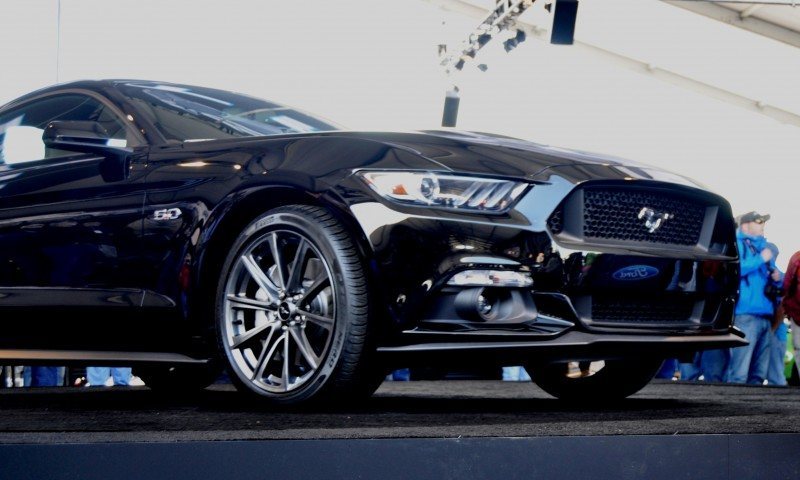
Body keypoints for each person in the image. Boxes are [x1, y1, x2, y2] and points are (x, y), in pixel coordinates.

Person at [726, 212, 783, 385]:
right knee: (739, 372)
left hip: (766, 317)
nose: (762, 225)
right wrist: (760, 259)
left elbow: (777, 282)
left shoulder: (764, 248)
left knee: (759, 373)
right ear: (745, 225)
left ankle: (750, 411)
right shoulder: (737, 244)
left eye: (763, 222)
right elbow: (734, 270)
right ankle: (730, 409)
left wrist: (778, 278)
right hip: (745, 315)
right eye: (758, 222)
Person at [782, 250, 800, 380]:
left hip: (797, 313)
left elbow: (786, 286)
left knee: (799, 349)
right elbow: (787, 286)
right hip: (797, 313)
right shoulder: (796, 259)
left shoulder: (796, 258)